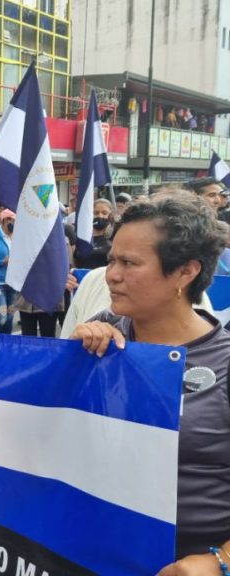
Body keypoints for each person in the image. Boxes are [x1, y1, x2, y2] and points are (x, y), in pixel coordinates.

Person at [65, 194, 230, 573]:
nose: (111, 275)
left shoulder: (224, 362)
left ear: (186, 272)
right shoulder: (101, 333)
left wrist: (219, 561)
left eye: (129, 263)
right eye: (111, 260)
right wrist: (68, 365)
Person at [73, 198, 114, 269]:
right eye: (96, 213)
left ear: (110, 216)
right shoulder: (83, 238)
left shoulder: (114, 238)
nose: (100, 216)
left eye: (104, 213)